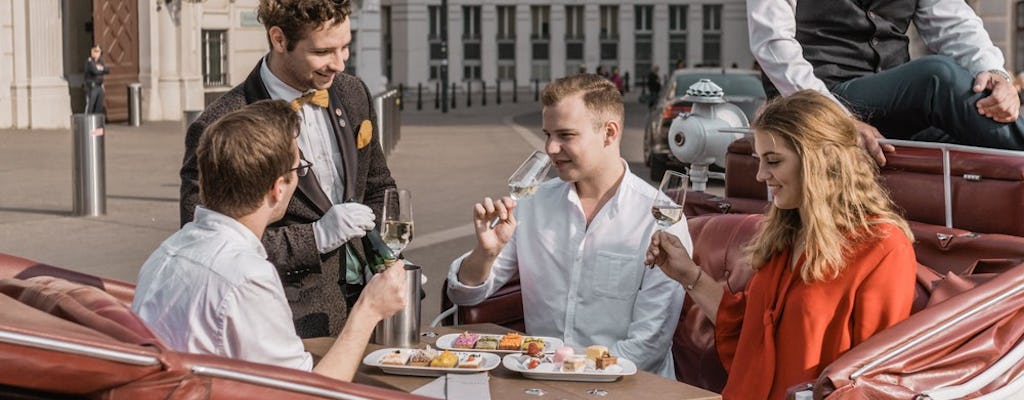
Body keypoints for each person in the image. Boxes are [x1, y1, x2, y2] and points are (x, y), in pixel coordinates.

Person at [646, 90, 917, 399]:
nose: (762, 175)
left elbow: (873, 378)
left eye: (773, 161)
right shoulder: (785, 232)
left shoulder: (882, 247)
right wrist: (687, 274)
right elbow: (746, 331)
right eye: (759, 161)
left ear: (821, 160)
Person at [135, 100, 407, 382]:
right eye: (299, 169)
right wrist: (369, 310)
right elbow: (308, 392)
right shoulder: (247, 277)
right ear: (277, 188)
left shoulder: (167, 252)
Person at [446, 74, 691, 378]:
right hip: (541, 382)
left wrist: (571, 377)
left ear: (609, 133)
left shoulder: (659, 217)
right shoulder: (532, 204)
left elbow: (648, 346)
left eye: (565, 135)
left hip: (626, 388)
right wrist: (484, 253)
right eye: (547, 134)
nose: (550, 148)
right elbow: (464, 296)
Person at [180, 0, 397, 339]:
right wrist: (316, 237)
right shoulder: (220, 124)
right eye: (324, 51)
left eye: (345, 47)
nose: (339, 64)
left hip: (373, 308)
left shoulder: (353, 93)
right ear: (279, 40)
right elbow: (206, 241)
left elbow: (379, 185)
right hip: (288, 320)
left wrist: (385, 253)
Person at [749, 0, 1024, 165]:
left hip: (888, 107)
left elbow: (955, 24)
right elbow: (772, 42)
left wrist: (995, 74)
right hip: (819, 98)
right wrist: (835, 119)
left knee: (970, 137)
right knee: (936, 76)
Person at [83, 45, 109, 114]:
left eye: (98, 52)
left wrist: (101, 69)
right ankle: (88, 122)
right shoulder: (89, 61)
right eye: (95, 51)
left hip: (99, 86)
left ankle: (97, 123)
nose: (97, 53)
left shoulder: (101, 61)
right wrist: (101, 69)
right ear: (92, 52)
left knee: (99, 106)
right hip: (92, 86)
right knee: (90, 106)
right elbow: (94, 71)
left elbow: (107, 70)